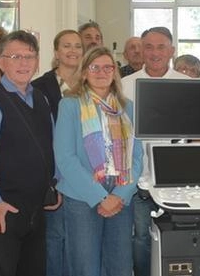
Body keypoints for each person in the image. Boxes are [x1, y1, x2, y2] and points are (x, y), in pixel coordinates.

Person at [0, 31, 61, 276]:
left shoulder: (40, 98)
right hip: (3, 208)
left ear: (38, 62)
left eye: (29, 56)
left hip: (37, 208)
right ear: (1, 61)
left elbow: (50, 146)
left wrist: (55, 184)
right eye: (15, 56)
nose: (24, 63)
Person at [54, 46, 143, 276]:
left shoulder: (128, 108)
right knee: (85, 267)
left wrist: (120, 195)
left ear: (115, 72)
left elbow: (137, 156)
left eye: (107, 67)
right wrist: (100, 197)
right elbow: (65, 157)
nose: (101, 72)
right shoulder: (70, 105)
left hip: (121, 194)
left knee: (120, 266)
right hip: (83, 196)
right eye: (95, 67)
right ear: (84, 73)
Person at [121, 26, 189, 276]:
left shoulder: (187, 85)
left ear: (171, 51)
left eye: (161, 47)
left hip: (176, 180)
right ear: (140, 50)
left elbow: (195, 133)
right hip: (139, 177)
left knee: (176, 236)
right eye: (148, 46)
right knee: (140, 236)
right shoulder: (124, 85)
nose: (154, 52)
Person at [31, 29, 83, 276]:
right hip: (56, 173)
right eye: (66, 46)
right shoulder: (40, 87)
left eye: (77, 46)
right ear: (56, 52)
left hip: (87, 172)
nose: (72, 51)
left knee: (80, 240)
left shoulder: (91, 83)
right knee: (55, 237)